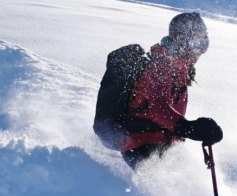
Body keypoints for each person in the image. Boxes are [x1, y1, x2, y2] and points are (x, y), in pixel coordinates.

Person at [94, 12, 223, 169]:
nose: (201, 50)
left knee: (186, 186)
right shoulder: (161, 65)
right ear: (182, 41)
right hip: (143, 144)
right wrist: (189, 128)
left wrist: (196, 130)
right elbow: (158, 108)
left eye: (205, 43)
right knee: (168, 190)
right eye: (197, 43)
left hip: (163, 144)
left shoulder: (180, 71)